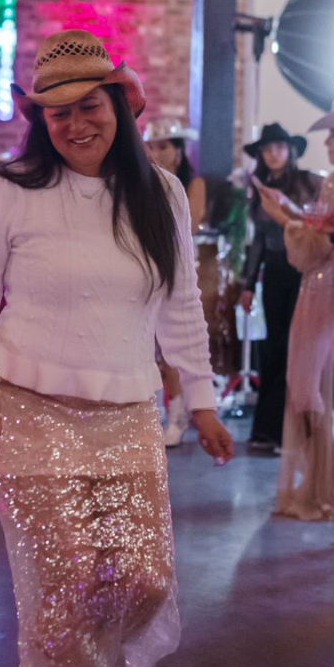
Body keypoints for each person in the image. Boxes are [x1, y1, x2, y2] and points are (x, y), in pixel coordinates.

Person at [0, 31, 234, 667]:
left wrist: (202, 401)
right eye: (58, 112)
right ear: (39, 120)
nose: (75, 124)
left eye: (89, 106)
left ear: (120, 105)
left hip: (128, 409)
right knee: (63, 580)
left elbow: (180, 307)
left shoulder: (161, 194)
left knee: (142, 580)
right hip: (27, 408)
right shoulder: (9, 187)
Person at [257, 101, 334, 520]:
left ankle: (320, 484)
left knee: (305, 383)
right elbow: (326, 229)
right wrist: (291, 212)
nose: (328, 143)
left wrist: (283, 218)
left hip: (326, 283)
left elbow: (321, 241)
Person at [239, 123, 321, 452]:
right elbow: (258, 242)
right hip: (274, 272)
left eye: (279, 147)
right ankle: (266, 430)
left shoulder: (308, 182)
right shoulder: (260, 191)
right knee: (273, 349)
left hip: (303, 270)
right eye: (267, 149)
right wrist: (247, 284)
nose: (273, 154)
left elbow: (316, 226)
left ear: (290, 151)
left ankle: (294, 432)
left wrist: (287, 207)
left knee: (296, 348)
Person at [143, 118, 206, 447]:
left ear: (179, 151)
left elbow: (189, 226)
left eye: (164, 146)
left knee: (172, 351)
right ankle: (156, 415)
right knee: (149, 349)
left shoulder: (191, 184)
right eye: (153, 145)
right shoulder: (143, 180)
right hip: (147, 267)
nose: (157, 151)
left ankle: (179, 415)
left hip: (178, 267)